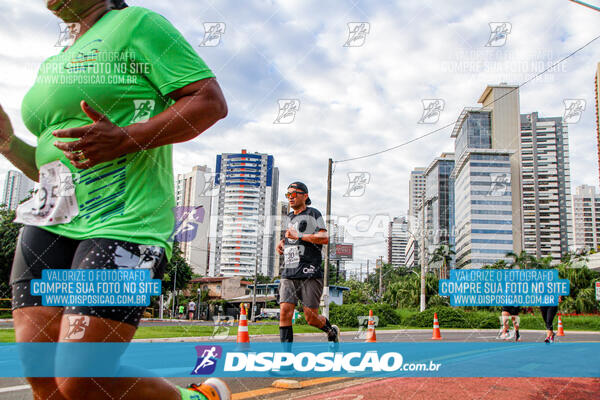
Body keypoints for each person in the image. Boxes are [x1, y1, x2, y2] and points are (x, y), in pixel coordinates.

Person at [2, 1, 230, 399]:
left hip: (123, 221)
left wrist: (128, 138)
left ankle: (198, 398)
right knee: (42, 376)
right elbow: (49, 167)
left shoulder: (137, 24)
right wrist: (6, 142)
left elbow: (209, 101)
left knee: (79, 380)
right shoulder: (53, 63)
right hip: (49, 218)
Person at [275, 182, 340, 354]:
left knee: (310, 318)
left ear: (305, 195)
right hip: (289, 270)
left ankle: (330, 331)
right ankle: (286, 359)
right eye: (288, 194)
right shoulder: (289, 217)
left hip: (310, 270)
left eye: (294, 194)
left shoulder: (313, 213)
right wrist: (282, 243)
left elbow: (324, 237)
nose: (290, 197)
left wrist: (300, 236)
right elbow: (291, 238)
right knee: (285, 312)